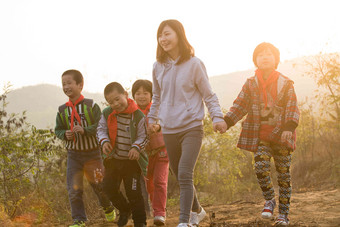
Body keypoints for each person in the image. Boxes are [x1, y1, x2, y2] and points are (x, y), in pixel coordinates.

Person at [147, 19, 227, 227]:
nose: (163, 39)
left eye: (167, 34)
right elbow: (156, 97)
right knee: (180, 174)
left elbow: (209, 95)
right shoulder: (157, 67)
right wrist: (151, 119)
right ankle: (198, 211)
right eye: (160, 35)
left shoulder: (194, 64)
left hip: (192, 127)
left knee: (184, 172)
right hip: (169, 129)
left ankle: (185, 221)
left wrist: (217, 117)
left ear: (179, 35)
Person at [223, 42, 300, 226]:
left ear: (276, 59)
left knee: (283, 176)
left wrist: (289, 128)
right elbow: (240, 105)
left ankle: (283, 215)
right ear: (255, 60)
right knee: (260, 166)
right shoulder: (251, 84)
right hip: (260, 136)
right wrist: (227, 122)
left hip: (282, 135)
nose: (265, 57)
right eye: (261, 55)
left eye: (269, 54)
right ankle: (269, 200)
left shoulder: (286, 83)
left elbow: (292, 106)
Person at [54, 69, 115, 227]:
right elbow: (57, 129)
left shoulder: (91, 105)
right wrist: (64, 134)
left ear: (80, 85)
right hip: (73, 154)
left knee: (99, 186)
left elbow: (101, 126)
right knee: (74, 189)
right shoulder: (62, 110)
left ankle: (108, 207)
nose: (66, 86)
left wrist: (85, 130)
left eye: (69, 83)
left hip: (93, 154)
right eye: (63, 84)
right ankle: (79, 220)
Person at [97, 82, 148, 227]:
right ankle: (125, 209)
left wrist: (136, 148)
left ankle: (140, 222)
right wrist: (104, 141)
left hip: (131, 162)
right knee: (108, 188)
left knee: (134, 193)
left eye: (117, 99)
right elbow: (100, 129)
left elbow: (143, 136)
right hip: (113, 159)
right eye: (111, 102)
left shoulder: (137, 115)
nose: (115, 104)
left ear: (125, 94)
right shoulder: (107, 113)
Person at [132, 79, 169, 226]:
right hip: (144, 155)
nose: (141, 96)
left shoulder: (158, 108)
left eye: (145, 93)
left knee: (160, 181)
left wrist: (158, 128)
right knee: (150, 185)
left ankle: (160, 213)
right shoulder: (132, 113)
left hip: (161, 150)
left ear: (151, 94)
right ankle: (156, 209)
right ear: (133, 95)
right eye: (138, 93)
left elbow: (168, 123)